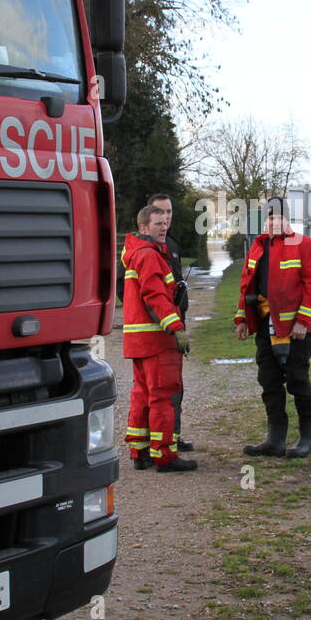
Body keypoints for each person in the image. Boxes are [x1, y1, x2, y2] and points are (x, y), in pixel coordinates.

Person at [234, 196, 311, 458]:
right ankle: (275, 439)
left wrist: (303, 322)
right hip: (265, 324)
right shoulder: (258, 246)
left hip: (295, 328)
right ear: (265, 221)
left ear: (288, 219)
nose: (275, 222)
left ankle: (306, 436)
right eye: (270, 218)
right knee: (269, 381)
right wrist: (241, 319)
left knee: (297, 380)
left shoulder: (305, 246)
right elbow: (246, 286)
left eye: (279, 217)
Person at [121, 205, 195, 473]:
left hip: (138, 342)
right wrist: (177, 328)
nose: (164, 228)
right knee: (163, 397)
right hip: (157, 342)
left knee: (142, 396)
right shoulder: (150, 257)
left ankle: (140, 452)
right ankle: (165, 456)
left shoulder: (134, 255)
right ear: (143, 228)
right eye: (157, 224)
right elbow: (155, 298)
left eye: (165, 223)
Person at [146, 193, 194, 452]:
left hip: (175, 325)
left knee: (175, 386)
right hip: (156, 330)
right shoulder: (144, 250)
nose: (166, 219)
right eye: (161, 213)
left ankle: (172, 437)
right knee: (155, 390)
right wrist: (157, 317)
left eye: (169, 213)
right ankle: (155, 443)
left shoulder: (171, 246)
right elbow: (134, 290)